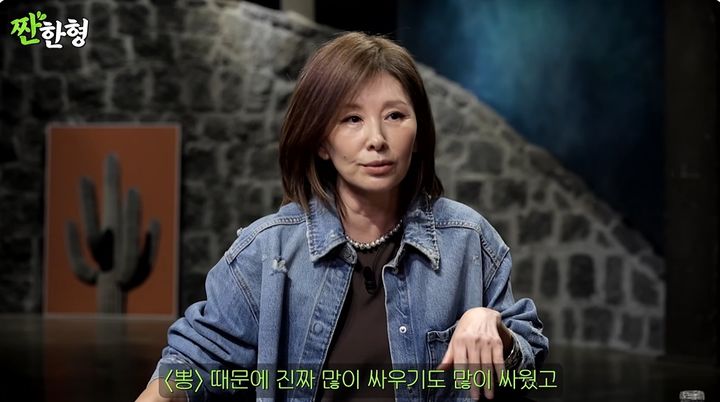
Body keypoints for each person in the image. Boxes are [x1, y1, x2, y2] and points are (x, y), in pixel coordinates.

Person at [136, 32, 548, 402]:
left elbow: (531, 377)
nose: (377, 140)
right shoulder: (267, 251)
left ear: (419, 133)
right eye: (352, 119)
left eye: (395, 116)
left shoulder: (468, 239)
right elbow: (188, 367)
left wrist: (496, 331)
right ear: (321, 142)